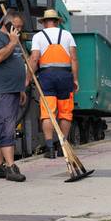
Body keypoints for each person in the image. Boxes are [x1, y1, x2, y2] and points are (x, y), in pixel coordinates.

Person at [28, 9, 79, 159]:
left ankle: (49, 148)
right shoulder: (67, 35)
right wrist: (75, 79)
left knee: (48, 113)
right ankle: (63, 146)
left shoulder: (38, 36)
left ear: (44, 22)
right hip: (65, 76)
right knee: (65, 113)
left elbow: (34, 58)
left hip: (46, 76)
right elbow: (74, 59)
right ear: (57, 22)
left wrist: (28, 77)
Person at [0, 10, 28, 182]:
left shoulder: (15, 38)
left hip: (13, 90)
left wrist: (21, 88)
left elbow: (17, 62)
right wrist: (12, 42)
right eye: (16, 26)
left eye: (20, 27)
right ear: (7, 24)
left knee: (1, 127)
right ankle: (11, 166)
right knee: (6, 128)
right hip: (1, 91)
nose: (18, 30)